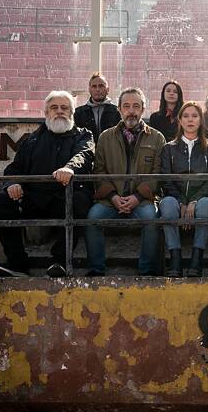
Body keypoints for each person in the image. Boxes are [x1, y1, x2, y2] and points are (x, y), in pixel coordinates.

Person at [0, 90, 94, 278]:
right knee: (0, 200)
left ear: (72, 112)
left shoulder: (83, 136)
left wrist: (70, 168)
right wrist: (13, 183)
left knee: (81, 200)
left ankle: (60, 263)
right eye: (54, 107)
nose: (59, 111)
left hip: (64, 199)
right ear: (46, 113)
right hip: (33, 198)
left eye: (64, 108)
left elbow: (84, 155)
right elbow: (14, 169)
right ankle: (17, 265)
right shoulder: (32, 140)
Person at [84, 87, 165, 276]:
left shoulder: (156, 138)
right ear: (119, 109)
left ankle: (146, 271)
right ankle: (96, 270)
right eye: (126, 106)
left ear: (143, 109)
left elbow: (158, 173)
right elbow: (99, 171)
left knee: (151, 220)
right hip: (110, 200)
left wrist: (136, 197)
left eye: (136, 106)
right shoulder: (105, 137)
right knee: (92, 219)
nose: (131, 111)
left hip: (143, 199)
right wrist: (113, 197)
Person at [160, 102, 208, 278]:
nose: (190, 120)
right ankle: (175, 258)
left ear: (200, 120)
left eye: (194, 116)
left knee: (207, 204)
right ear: (180, 120)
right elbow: (166, 179)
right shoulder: (169, 148)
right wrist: (181, 202)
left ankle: (196, 258)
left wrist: (193, 201)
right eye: (185, 116)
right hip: (176, 199)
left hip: (199, 201)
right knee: (167, 204)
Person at [74, 71, 121, 144]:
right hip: (87, 153)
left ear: (107, 90)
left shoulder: (117, 112)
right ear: (89, 90)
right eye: (94, 86)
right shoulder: (78, 113)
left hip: (110, 153)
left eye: (101, 86)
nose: (97, 89)